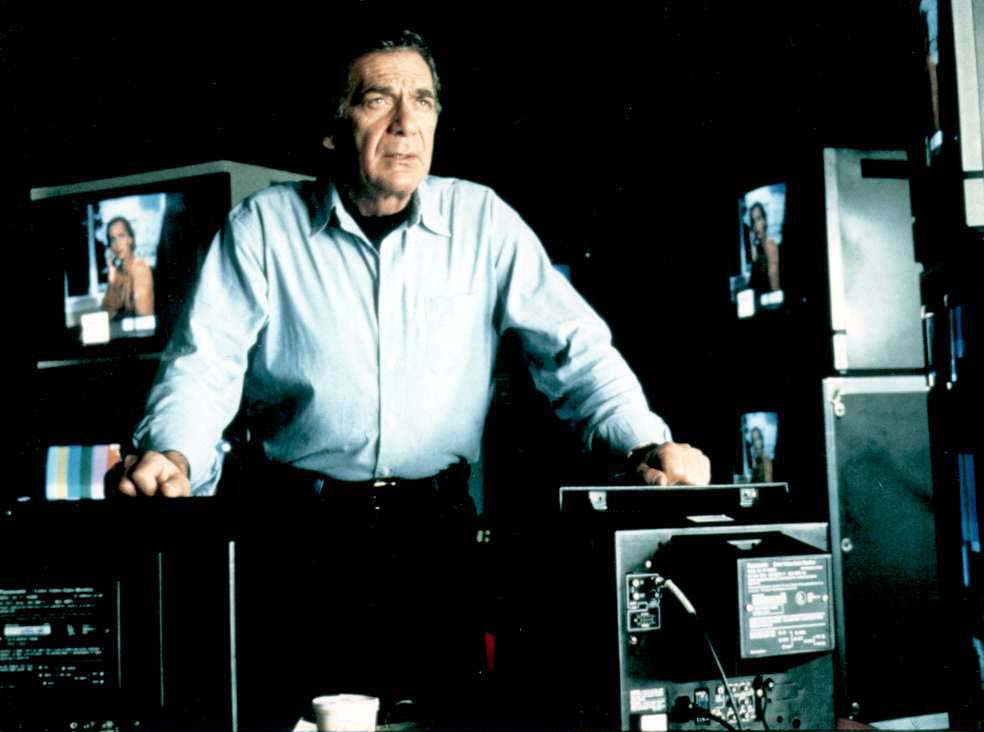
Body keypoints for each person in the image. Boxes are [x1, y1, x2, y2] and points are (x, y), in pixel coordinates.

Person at [106, 29, 710, 727]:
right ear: (333, 129)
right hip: (296, 540)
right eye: (377, 100)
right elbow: (205, 361)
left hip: (435, 543)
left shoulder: (482, 220)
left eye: (422, 101)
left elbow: (575, 352)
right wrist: (175, 454)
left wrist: (646, 444)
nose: (405, 122)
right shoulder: (265, 227)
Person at [101, 216, 155, 319]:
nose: (117, 244)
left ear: (130, 239)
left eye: (121, 236)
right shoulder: (118, 273)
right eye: (113, 239)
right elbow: (105, 313)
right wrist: (112, 280)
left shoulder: (140, 269)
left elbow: (145, 318)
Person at [747, 201, 780, 294]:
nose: (755, 225)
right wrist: (754, 253)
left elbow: (775, 288)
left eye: (758, 219)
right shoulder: (757, 252)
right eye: (753, 221)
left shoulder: (771, 246)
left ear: (765, 220)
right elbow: (753, 287)